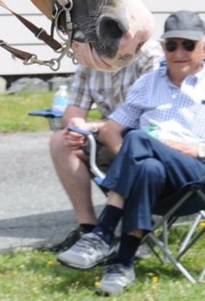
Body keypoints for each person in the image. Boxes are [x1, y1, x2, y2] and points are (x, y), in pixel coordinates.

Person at [56, 12, 205, 297]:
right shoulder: (148, 83)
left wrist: (196, 149)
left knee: (137, 138)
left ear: (203, 49)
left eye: (188, 45)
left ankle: (103, 233)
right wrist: (134, 162)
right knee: (147, 167)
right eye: (171, 45)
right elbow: (110, 131)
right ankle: (122, 265)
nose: (179, 53)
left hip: (196, 174)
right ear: (163, 48)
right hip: (156, 177)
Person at [45, 40, 162, 252]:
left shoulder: (149, 54)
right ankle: (88, 228)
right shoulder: (89, 55)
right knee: (60, 141)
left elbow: (152, 117)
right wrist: (75, 126)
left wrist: (94, 127)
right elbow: (73, 110)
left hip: (144, 137)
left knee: (134, 141)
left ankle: (132, 228)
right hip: (107, 135)